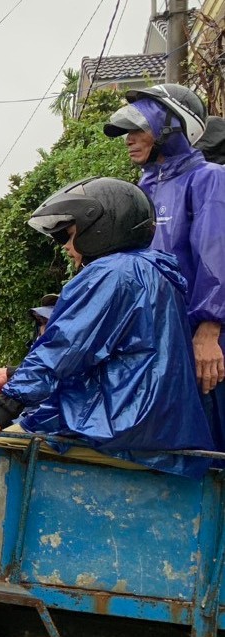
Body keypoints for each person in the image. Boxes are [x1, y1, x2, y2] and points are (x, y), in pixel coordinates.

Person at [0, 177, 213, 477]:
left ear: (100, 227)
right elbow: (109, 359)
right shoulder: (151, 270)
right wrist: (15, 375)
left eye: (69, 235)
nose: (66, 247)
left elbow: (64, 348)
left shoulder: (110, 273)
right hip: (150, 427)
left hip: (118, 429)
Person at [103, 84, 225, 450]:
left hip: (201, 344)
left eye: (140, 129)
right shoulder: (144, 187)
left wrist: (209, 332)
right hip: (158, 343)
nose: (129, 139)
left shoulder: (208, 179)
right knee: (168, 449)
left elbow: (215, 255)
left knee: (209, 452)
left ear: (173, 127)